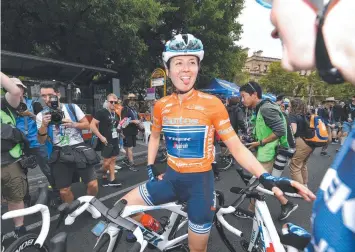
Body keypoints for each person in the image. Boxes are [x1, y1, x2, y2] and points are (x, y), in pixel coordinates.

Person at [120, 34, 314, 252]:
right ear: (168, 69)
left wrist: (265, 176)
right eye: (179, 63)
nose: (186, 69)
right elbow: (154, 137)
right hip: (170, 179)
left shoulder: (212, 104)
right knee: (123, 208)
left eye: (191, 62)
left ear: (198, 67)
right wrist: (150, 165)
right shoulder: (161, 106)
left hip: (200, 188)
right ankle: (154, 227)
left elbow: (236, 146)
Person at [258, 0, 355, 250]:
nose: (286, 64)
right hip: (309, 143)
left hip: (299, 143)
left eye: (271, 5)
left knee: (296, 165)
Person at [240, 81, 298, 220]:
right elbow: (264, 128)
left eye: (243, 96)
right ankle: (285, 203)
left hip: (269, 152)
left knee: (257, 183)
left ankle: (252, 211)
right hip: (265, 151)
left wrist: (260, 142)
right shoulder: (260, 107)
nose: (242, 100)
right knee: (264, 182)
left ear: (254, 94)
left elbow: (279, 130)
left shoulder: (266, 108)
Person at [36, 82, 98, 203]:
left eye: (50, 95)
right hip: (59, 150)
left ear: (58, 94)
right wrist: (44, 125)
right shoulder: (41, 115)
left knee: (93, 184)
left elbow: (87, 125)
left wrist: (73, 124)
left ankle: (90, 204)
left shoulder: (72, 108)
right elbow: (41, 140)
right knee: (64, 190)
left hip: (79, 148)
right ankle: (71, 210)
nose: (47, 99)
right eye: (43, 96)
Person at [12, 78, 56, 192]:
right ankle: (26, 198)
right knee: (21, 173)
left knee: (48, 169)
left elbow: (43, 121)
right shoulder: (9, 107)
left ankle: (57, 192)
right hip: (19, 145)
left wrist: (29, 114)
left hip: (37, 143)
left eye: (18, 87)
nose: (15, 90)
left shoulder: (34, 103)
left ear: (23, 90)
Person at [0, 73, 28, 237]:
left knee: (15, 197)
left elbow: (16, 92)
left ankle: (19, 228)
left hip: (9, 162)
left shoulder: (5, 103)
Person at [90, 94, 122, 187]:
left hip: (115, 139)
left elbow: (115, 126)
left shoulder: (116, 113)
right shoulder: (101, 112)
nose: (113, 103)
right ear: (107, 102)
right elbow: (92, 125)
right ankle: (101, 172)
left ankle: (112, 179)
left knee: (113, 160)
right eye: (111, 102)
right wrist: (101, 137)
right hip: (105, 141)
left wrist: (121, 131)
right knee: (107, 161)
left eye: (115, 102)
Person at [288, 98, 314, 187]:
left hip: (301, 142)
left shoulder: (293, 115)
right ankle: (304, 185)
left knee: (294, 165)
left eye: (289, 105)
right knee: (302, 164)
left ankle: (299, 190)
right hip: (310, 143)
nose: (288, 107)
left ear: (293, 106)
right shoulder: (307, 115)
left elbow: (293, 131)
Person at [121, 93, 140, 172]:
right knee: (130, 148)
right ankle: (131, 164)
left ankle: (126, 159)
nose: (132, 101)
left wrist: (139, 123)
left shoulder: (133, 109)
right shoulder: (125, 109)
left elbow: (137, 119)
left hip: (133, 131)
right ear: (127, 100)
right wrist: (133, 121)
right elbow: (123, 122)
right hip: (127, 131)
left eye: (134, 99)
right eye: (130, 99)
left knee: (129, 147)